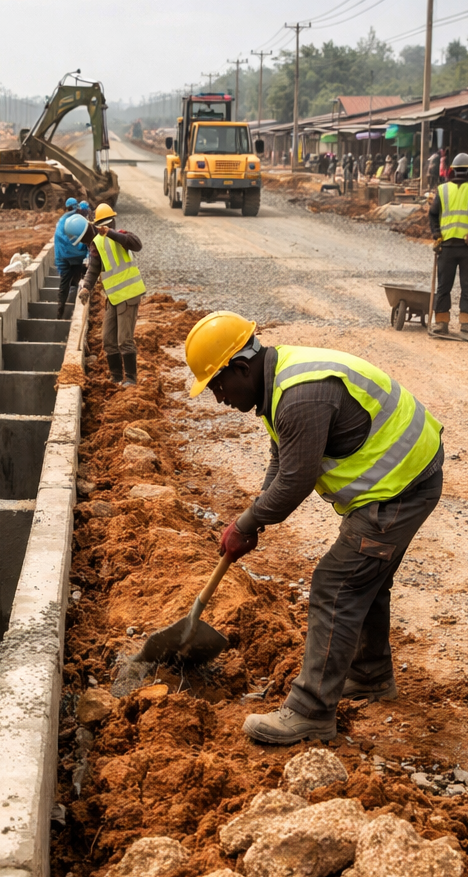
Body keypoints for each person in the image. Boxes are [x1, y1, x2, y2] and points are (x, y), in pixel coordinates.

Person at [183, 311, 444, 744]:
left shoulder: (301, 396)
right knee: (366, 578)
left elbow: (295, 481)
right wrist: (252, 523)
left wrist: (247, 522)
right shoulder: (277, 380)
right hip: (400, 480)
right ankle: (369, 674)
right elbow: (282, 459)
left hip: (402, 485)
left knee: (336, 585)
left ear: (241, 369)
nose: (218, 398)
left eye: (216, 385)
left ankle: (311, 711)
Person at [77, 203, 145, 386]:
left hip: (129, 294)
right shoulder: (97, 243)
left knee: (124, 340)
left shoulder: (121, 236)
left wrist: (111, 233)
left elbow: (137, 245)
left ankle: (130, 378)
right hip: (114, 297)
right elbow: (93, 269)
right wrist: (86, 287)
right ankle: (116, 377)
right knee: (108, 339)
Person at [427, 152, 468, 334]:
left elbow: (432, 214)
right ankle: (466, 322)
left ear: (452, 170)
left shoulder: (443, 189)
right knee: (467, 285)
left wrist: (436, 234)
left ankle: (442, 322)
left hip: (447, 246)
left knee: (444, 285)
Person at [55, 213, 92, 319]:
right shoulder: (77, 226)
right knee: (73, 283)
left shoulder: (66, 226)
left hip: (68, 260)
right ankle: (65, 310)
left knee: (66, 284)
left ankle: (61, 311)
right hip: (75, 260)